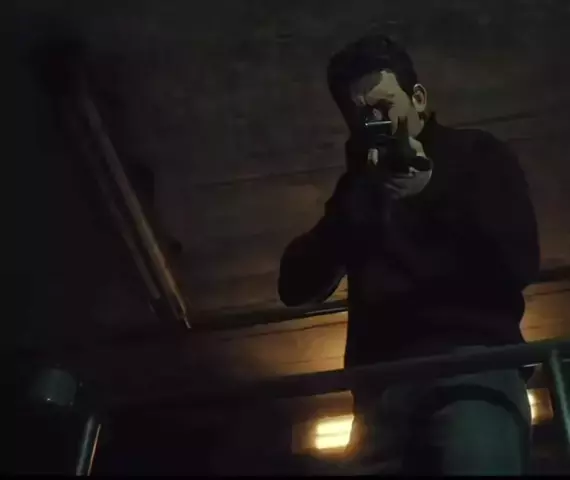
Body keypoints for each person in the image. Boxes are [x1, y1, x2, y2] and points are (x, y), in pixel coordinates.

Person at [278, 34, 540, 475]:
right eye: (360, 115)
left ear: (417, 99)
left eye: (384, 106)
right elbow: (295, 285)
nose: (374, 122)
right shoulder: (358, 188)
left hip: (471, 366)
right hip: (381, 387)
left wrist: (430, 192)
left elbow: (518, 259)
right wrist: (356, 206)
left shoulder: (475, 154)